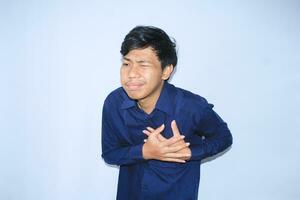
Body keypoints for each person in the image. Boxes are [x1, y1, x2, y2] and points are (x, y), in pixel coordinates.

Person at [101, 25, 233, 200]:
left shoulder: (190, 106)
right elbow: (110, 154)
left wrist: (189, 153)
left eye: (143, 64)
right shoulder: (114, 103)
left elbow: (223, 137)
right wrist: (145, 152)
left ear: (166, 71)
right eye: (126, 63)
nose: (131, 73)